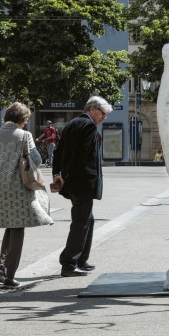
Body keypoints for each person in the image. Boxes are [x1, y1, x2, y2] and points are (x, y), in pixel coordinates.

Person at [0, 101, 53, 289]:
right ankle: (10, 276)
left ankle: (2, 264)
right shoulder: (24, 135)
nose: (26, 123)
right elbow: (36, 159)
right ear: (22, 119)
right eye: (26, 119)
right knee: (18, 228)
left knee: (10, 224)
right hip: (19, 188)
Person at [51, 95, 110, 277]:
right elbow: (81, 156)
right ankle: (69, 263)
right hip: (82, 182)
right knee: (81, 222)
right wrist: (65, 177)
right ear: (92, 109)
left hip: (74, 181)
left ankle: (81, 259)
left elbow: (58, 151)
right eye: (102, 113)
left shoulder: (72, 123)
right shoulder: (89, 126)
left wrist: (58, 174)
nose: (104, 117)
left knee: (87, 220)